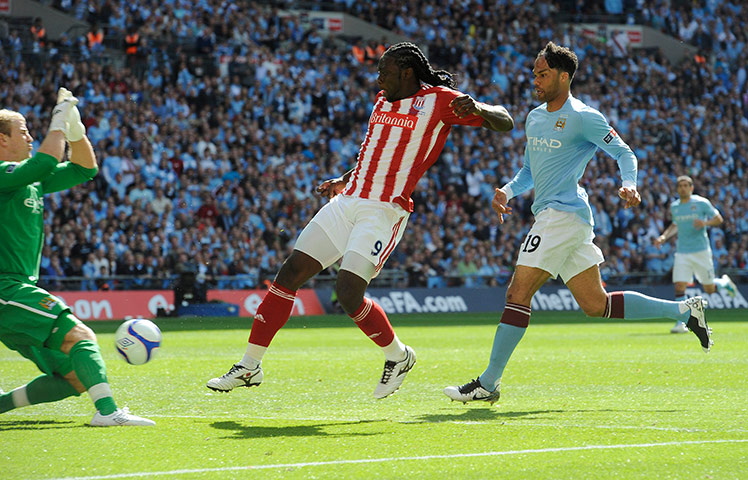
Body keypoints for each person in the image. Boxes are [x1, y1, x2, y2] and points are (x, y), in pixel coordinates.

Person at [207, 42, 514, 399]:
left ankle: (398, 357)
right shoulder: (381, 99)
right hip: (349, 199)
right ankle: (249, 365)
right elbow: (374, 152)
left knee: (348, 292)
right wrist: (344, 178)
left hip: (383, 210)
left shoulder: (441, 101)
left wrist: (479, 107)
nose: (377, 77)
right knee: (290, 273)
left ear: (407, 72)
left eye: (383, 70)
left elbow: (504, 122)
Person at [444, 42, 712, 405]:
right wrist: (507, 191)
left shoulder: (584, 116)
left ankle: (488, 383)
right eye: (534, 74)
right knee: (594, 303)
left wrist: (629, 183)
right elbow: (529, 171)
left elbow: (624, 152)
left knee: (517, 293)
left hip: (562, 216)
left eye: (543, 74)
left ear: (563, 76)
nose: (535, 80)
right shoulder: (534, 117)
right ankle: (684, 310)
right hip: (561, 217)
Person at [0, 89, 153, 426]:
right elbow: (45, 161)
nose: (29, 136)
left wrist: (75, 131)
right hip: (5, 289)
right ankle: (108, 412)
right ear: (2, 141)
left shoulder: (29, 182)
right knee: (80, 336)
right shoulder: (3, 174)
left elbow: (85, 169)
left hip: (15, 291)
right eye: (23, 130)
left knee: (74, 376)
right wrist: (57, 119)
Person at [655, 175, 737, 333]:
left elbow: (719, 219)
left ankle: (724, 283)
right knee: (679, 286)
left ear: (691, 188)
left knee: (709, 289)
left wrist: (705, 223)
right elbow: (675, 224)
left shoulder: (701, 203)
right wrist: (664, 236)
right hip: (682, 252)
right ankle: (682, 322)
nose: (683, 188)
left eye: (686, 185)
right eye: (680, 186)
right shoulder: (675, 207)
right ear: (677, 189)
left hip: (701, 252)